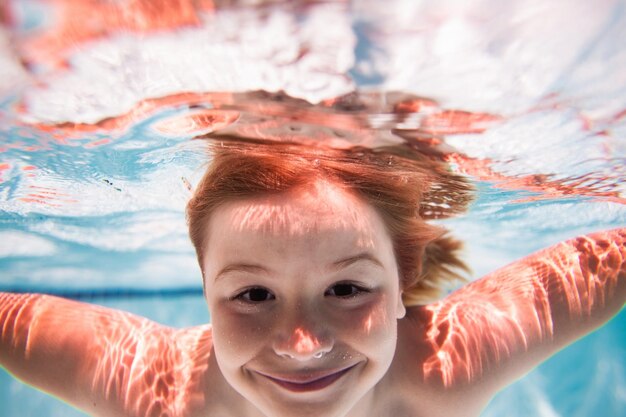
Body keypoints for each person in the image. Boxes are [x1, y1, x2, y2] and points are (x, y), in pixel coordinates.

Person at [1, 137, 624, 417]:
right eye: (252, 294)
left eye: (348, 288)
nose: (304, 343)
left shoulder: (444, 368)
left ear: (402, 283)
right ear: (206, 293)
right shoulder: (159, 391)